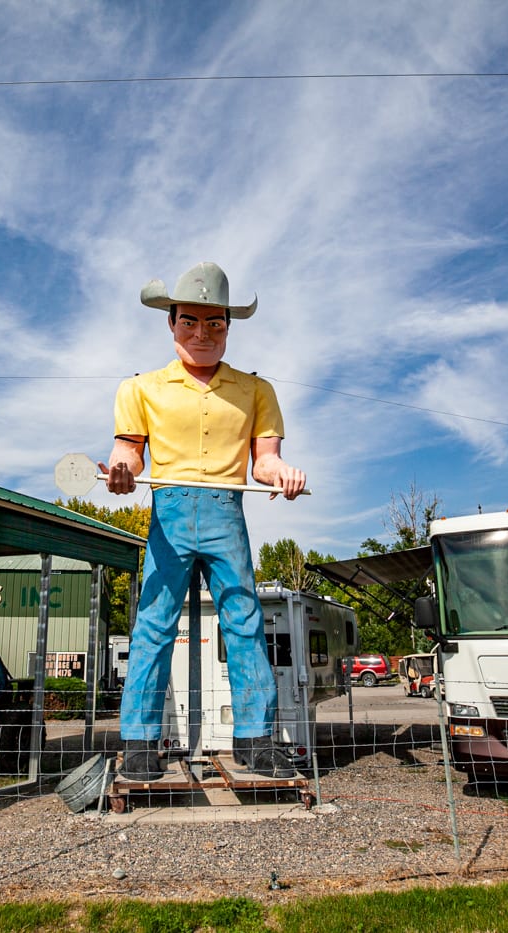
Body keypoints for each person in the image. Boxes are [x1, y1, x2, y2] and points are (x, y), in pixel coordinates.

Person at [102, 261, 307, 781]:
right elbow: (128, 453)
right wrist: (122, 472)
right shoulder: (140, 388)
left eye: (215, 323)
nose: (202, 334)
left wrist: (279, 470)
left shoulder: (256, 391)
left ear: (229, 327)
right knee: (152, 623)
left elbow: (263, 460)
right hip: (168, 514)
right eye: (190, 321)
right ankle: (141, 744)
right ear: (170, 323)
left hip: (225, 511)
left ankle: (256, 741)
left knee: (244, 620)